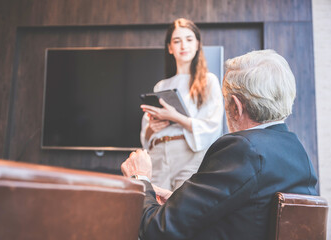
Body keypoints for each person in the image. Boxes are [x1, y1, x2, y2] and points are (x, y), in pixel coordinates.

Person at [122, 49, 318, 240]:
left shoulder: (242, 149)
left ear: (236, 106)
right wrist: (179, 201)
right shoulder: (297, 151)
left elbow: (157, 229)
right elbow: (250, 211)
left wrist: (139, 178)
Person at [140, 18, 224, 191]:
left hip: (188, 154)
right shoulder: (161, 86)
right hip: (157, 154)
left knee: (180, 212)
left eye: (189, 39)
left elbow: (213, 127)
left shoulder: (209, 81)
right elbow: (146, 134)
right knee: (152, 208)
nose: (183, 46)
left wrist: (175, 117)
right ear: (170, 48)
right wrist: (152, 127)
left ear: (198, 44)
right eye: (177, 41)